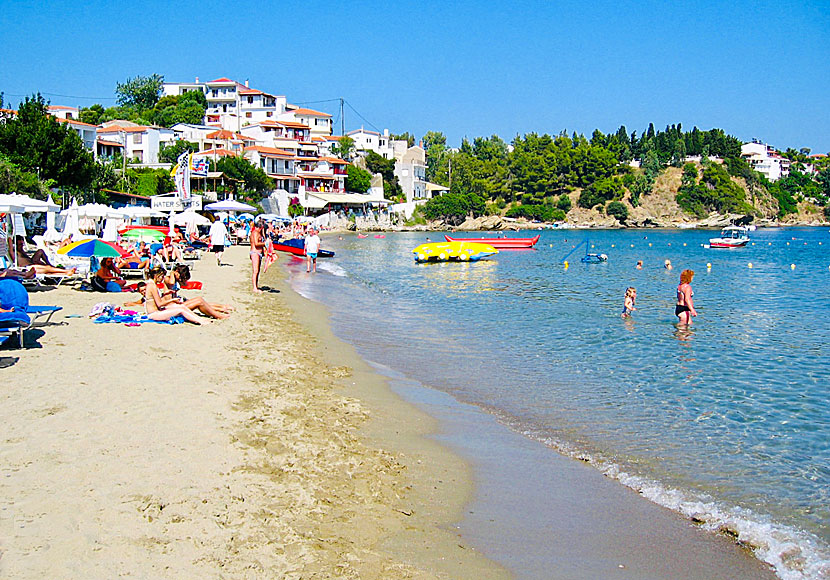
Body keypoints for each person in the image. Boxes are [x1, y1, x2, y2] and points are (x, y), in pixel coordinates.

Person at [12, 236, 76, 276]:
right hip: (27, 268)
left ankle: (63, 272)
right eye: (20, 244)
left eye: (22, 244)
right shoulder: (15, 253)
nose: (22, 245)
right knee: (48, 269)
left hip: (31, 263)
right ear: (16, 244)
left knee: (40, 251)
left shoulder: (21, 251)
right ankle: (66, 272)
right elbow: (10, 249)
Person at [249, 221, 266, 292]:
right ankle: (254, 288)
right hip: (255, 252)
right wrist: (265, 243)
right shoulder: (255, 233)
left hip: (258, 253)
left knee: (257, 271)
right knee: (255, 271)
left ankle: (256, 285)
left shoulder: (258, 233)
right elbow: (256, 243)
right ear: (260, 227)